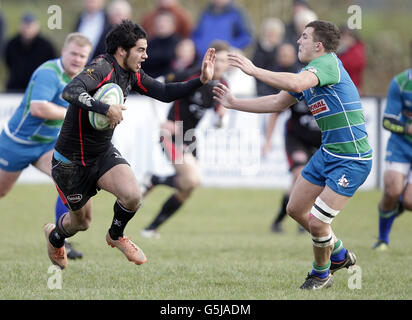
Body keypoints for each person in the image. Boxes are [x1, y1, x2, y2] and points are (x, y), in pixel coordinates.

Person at [213, 20, 372, 290]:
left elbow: (297, 82)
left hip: (352, 159)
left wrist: (253, 70)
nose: (298, 41)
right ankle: (340, 254)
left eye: (304, 37)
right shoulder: (309, 74)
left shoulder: (328, 64)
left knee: (319, 222)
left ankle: (321, 275)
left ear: (319, 45)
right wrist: (233, 103)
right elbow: (277, 102)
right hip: (328, 153)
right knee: (296, 209)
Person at [44, 20, 216, 269]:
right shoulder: (102, 67)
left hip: (101, 153)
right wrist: (105, 108)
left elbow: (165, 92)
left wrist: (200, 80)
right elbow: (71, 91)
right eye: (141, 50)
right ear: (122, 50)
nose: (146, 56)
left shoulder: (132, 74)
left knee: (133, 195)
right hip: (70, 161)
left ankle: (116, 235)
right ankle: (55, 236)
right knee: (80, 223)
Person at [0, 33, 92, 259]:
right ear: (63, 51)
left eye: (82, 56)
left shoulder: (83, 78)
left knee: (69, 181)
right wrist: (76, 113)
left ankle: (61, 239)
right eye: (73, 54)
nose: (77, 59)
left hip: (47, 145)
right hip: (17, 143)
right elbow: (38, 109)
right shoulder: (48, 73)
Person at [140, 40, 230, 239]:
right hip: (172, 133)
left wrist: (221, 117)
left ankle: (151, 227)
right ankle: (153, 179)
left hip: (190, 136)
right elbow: (155, 85)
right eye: (218, 60)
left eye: (225, 61)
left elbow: (218, 120)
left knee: (187, 189)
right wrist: (161, 120)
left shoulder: (223, 85)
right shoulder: (192, 74)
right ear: (209, 59)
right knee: (193, 179)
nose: (221, 65)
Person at [261, 43, 321, 234]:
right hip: (296, 138)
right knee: (299, 174)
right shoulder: (297, 84)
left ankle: (279, 219)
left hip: (319, 141)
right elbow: (275, 110)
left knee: (308, 184)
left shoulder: (321, 83)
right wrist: (268, 141)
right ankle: (299, 220)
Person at [372, 68, 412, 251]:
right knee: (391, 191)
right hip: (400, 147)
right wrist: (407, 128)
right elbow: (387, 121)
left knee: (410, 202)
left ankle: (401, 204)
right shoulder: (401, 82)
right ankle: (382, 239)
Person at [5, 13, 56, 92]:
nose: (27, 29)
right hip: (15, 87)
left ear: (37, 27)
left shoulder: (46, 45)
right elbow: (8, 61)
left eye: (29, 26)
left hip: (39, 86)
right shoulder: (12, 43)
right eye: (24, 26)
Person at [252, 17, 285, 97]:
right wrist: (266, 49)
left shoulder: (283, 49)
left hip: (277, 85)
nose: (271, 37)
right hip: (261, 85)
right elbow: (256, 66)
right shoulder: (259, 48)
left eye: (274, 34)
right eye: (269, 34)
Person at [142, 11, 181, 78]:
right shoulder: (148, 43)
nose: (161, 24)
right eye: (159, 22)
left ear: (173, 25)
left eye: (165, 22)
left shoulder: (180, 44)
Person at [337, 25, 366, 95]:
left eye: (349, 36)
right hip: (340, 90)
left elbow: (350, 64)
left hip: (353, 89)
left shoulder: (357, 49)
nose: (345, 39)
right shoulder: (339, 51)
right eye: (343, 36)